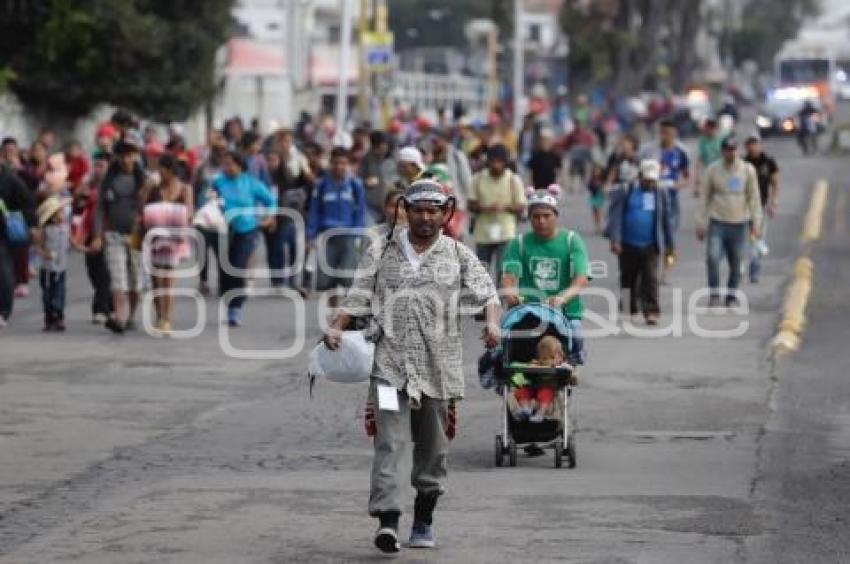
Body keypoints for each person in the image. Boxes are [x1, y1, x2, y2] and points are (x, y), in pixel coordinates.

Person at [324, 178, 501, 554]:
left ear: (444, 214)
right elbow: (358, 293)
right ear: (406, 210)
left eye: (432, 211)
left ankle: (424, 518)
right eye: (417, 209)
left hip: (439, 371)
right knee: (390, 442)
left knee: (433, 450)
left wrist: (493, 322)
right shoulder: (382, 250)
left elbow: (488, 292)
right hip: (389, 368)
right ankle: (388, 522)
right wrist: (337, 327)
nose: (424, 217)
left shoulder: (458, 254)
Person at [500, 185, 589, 455]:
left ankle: (568, 373)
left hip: (563, 313)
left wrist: (563, 297)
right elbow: (510, 274)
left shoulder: (572, 241)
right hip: (527, 315)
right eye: (536, 216)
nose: (541, 221)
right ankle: (522, 414)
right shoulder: (518, 244)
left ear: (556, 215)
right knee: (507, 349)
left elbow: (581, 277)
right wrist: (511, 291)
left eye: (546, 216)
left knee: (574, 334)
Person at [210, 151, 277, 326]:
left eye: (230, 164)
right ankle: (229, 298)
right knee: (224, 269)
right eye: (225, 164)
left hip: (247, 229)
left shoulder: (251, 183)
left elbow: (270, 200)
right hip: (223, 229)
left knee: (238, 267)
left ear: (240, 166)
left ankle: (236, 308)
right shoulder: (218, 182)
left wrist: (269, 217)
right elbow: (207, 199)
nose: (227, 168)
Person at [696, 136, 762, 308]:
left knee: (736, 261)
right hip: (718, 221)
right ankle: (714, 293)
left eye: (733, 150)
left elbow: (754, 198)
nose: (730, 153)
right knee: (712, 257)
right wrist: (701, 223)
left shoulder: (747, 170)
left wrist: (756, 223)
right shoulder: (713, 170)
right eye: (727, 150)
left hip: (739, 222)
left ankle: (731, 295)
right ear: (722, 151)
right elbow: (704, 198)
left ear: (738, 151)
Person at [91, 140, 150, 334]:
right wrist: (98, 235)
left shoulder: (144, 179)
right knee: (117, 280)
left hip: (137, 236)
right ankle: (120, 318)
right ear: (116, 157)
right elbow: (99, 208)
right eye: (122, 155)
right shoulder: (108, 179)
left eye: (130, 154)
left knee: (135, 280)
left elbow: (150, 207)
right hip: (113, 234)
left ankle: (131, 315)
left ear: (136, 155)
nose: (126, 159)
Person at [606, 159, 674, 324]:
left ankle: (651, 311)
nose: (650, 183)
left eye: (653, 180)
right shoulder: (626, 190)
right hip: (627, 243)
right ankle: (629, 309)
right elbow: (614, 216)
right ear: (640, 176)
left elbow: (666, 220)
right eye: (647, 180)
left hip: (650, 244)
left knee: (650, 278)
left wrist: (670, 245)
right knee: (628, 277)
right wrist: (615, 240)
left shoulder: (660, 193)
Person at [142, 154, 194, 335]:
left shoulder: (184, 189)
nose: (159, 173)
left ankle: (167, 318)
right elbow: (142, 207)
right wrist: (147, 188)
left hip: (173, 239)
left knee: (168, 280)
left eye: (161, 169)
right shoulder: (154, 189)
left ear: (169, 170)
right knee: (156, 279)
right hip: (155, 238)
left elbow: (188, 213)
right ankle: (159, 315)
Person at [306, 146, 367, 293]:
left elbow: (360, 211)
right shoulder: (322, 185)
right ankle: (332, 313)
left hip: (349, 236)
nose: (339, 166)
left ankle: (345, 314)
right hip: (328, 236)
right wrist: (311, 236)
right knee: (327, 281)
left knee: (348, 278)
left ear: (348, 164)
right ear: (330, 163)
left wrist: (358, 235)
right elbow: (314, 211)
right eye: (336, 163)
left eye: (343, 163)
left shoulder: (355, 185)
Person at [467, 144, 527, 273]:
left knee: (503, 270)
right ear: (488, 161)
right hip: (483, 233)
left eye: (499, 162)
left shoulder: (513, 179)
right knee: (482, 272)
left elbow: (521, 206)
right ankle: (484, 294)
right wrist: (484, 208)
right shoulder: (477, 179)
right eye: (493, 161)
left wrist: (505, 207)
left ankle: (503, 293)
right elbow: (470, 204)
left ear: (505, 162)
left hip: (506, 232)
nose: (496, 165)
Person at [646, 119, 690, 276]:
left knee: (669, 234)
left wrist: (680, 184)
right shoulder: (651, 151)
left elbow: (686, 176)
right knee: (651, 233)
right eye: (663, 133)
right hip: (651, 196)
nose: (665, 136)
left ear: (675, 133)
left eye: (669, 133)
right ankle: (651, 267)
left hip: (671, 198)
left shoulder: (681, 152)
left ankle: (668, 265)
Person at [74, 151, 112, 323]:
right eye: (96, 165)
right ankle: (109, 304)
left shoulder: (111, 187)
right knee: (93, 272)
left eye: (102, 166)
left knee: (104, 273)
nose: (98, 169)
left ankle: (101, 309)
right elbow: (78, 207)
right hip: (88, 233)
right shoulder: (88, 185)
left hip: (106, 233)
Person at [0, 163, 37, 328]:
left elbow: (28, 201)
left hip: (3, 233)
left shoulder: (10, 179)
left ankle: (3, 311)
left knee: (3, 271)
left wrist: (30, 224)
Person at [743, 134, 779, 284]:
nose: (752, 147)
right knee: (742, 239)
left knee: (757, 238)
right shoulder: (743, 163)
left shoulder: (768, 162)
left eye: (755, 143)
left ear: (760, 145)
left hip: (761, 205)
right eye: (749, 144)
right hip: (742, 206)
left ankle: (754, 270)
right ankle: (738, 268)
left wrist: (773, 203)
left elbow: (775, 183)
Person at [510, 336, 568, 422]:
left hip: (548, 387)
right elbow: (526, 376)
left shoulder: (561, 366)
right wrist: (530, 369)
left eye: (560, 354)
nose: (559, 357)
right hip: (533, 386)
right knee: (522, 390)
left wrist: (568, 373)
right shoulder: (536, 363)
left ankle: (541, 413)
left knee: (545, 393)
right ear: (543, 356)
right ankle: (526, 408)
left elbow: (570, 374)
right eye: (554, 356)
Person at [36, 196, 71, 331]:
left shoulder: (65, 228)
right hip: (48, 268)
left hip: (61, 267)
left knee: (60, 291)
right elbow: (39, 246)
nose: (63, 215)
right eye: (60, 212)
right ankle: (49, 316)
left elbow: (72, 241)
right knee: (48, 292)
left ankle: (59, 315)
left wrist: (85, 249)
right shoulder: (46, 230)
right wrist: (45, 254)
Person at [359, 130, 398, 223]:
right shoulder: (367, 160)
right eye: (380, 145)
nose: (383, 148)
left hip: (390, 206)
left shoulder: (393, 160)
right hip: (371, 206)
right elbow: (359, 179)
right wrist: (365, 181)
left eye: (385, 144)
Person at [695, 118, 722, 196]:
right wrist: (697, 182)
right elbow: (699, 160)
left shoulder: (721, 140)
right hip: (708, 173)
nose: (709, 130)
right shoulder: (703, 141)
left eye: (712, 128)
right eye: (708, 128)